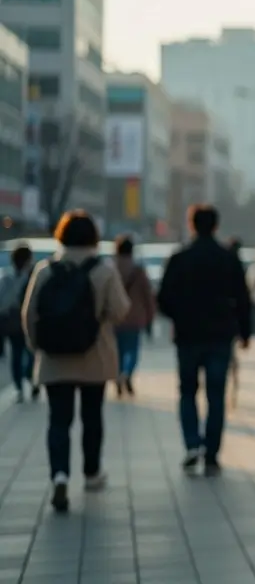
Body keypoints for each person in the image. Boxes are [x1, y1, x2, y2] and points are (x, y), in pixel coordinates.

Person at [22, 211, 131, 513]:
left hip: (55, 359)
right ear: (94, 238)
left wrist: (37, 348)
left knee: (59, 420)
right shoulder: (105, 270)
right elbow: (121, 311)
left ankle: (59, 474)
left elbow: (29, 316)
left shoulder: (46, 270)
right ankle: (92, 472)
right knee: (92, 417)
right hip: (94, 358)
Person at [157, 205, 252, 476]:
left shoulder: (179, 258)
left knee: (187, 391)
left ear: (191, 225)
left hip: (187, 335)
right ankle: (211, 451)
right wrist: (245, 332)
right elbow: (243, 299)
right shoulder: (228, 258)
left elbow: (163, 298)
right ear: (216, 226)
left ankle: (191, 443)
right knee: (216, 394)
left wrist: (178, 315)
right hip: (220, 335)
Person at [111, 235, 156, 397]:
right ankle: (128, 373)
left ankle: (118, 374)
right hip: (134, 317)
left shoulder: (111, 269)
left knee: (117, 350)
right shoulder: (138, 271)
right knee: (132, 349)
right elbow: (147, 295)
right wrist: (151, 315)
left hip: (114, 317)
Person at [0, 244, 36, 401]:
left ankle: (29, 380)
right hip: (16, 323)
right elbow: (4, 301)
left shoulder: (32, 275)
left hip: (22, 321)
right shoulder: (10, 277)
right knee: (20, 353)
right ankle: (21, 385)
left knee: (27, 354)